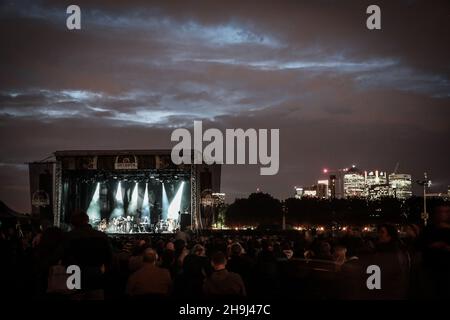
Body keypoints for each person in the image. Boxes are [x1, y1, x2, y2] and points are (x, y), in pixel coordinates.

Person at [63, 212, 112, 300]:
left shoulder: (68, 237)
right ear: (87, 220)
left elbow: (63, 256)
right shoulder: (102, 236)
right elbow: (110, 258)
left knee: (76, 296)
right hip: (96, 274)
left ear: (72, 222)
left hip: (74, 275)